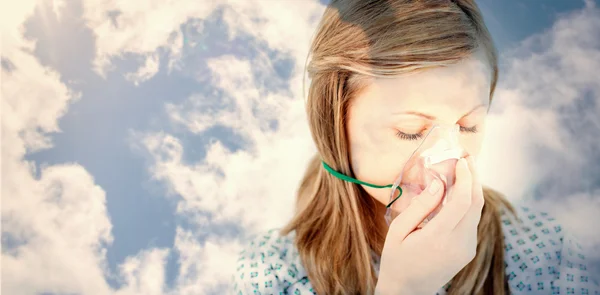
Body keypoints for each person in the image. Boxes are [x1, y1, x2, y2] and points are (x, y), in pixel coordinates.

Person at [232, 0, 600, 294]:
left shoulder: (546, 255)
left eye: (467, 125)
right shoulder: (273, 276)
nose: (444, 163)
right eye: (410, 131)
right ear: (334, 128)